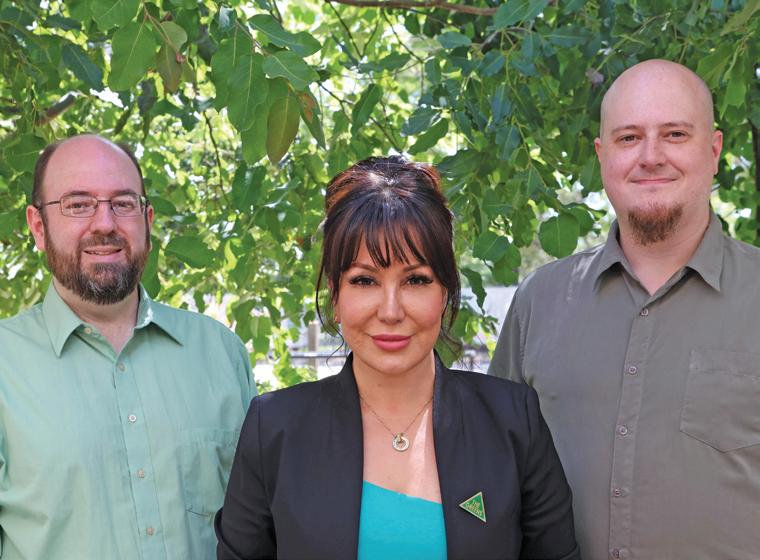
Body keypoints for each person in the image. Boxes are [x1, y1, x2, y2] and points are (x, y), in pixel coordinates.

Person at [215, 156, 579, 559]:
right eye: (365, 280)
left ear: (445, 292)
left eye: (416, 280)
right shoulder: (274, 427)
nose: (390, 311)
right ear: (335, 296)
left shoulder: (513, 420)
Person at [489, 58, 760, 559]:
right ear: (602, 155)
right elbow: (492, 474)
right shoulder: (540, 302)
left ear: (714, 150)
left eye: (675, 134)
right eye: (629, 137)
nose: (650, 156)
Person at [0, 134, 255, 559]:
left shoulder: (220, 353)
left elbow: (260, 529)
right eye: (78, 204)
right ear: (38, 227)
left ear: (147, 221)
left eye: (122, 203)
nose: (105, 224)